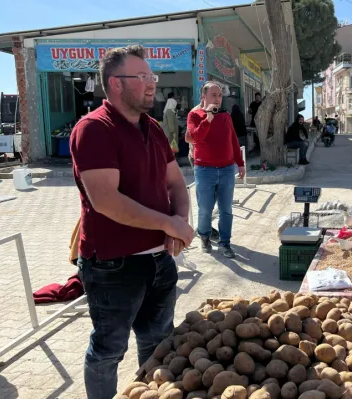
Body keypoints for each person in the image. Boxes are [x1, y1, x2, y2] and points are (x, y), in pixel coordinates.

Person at [69, 45, 195, 399]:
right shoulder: (94, 129)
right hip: (114, 265)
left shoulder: (153, 128)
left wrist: (178, 221)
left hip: (160, 260)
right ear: (116, 84)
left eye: (151, 76)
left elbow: (176, 183)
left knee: (158, 345)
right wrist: (169, 225)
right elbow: (107, 201)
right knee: (109, 351)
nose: (151, 83)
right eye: (141, 77)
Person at [187, 81, 246, 258]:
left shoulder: (226, 116)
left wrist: (240, 162)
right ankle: (204, 235)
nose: (218, 99)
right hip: (205, 170)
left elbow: (233, 140)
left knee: (226, 209)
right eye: (214, 95)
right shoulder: (194, 115)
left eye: (220, 95)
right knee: (205, 208)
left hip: (227, 169)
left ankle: (225, 243)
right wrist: (208, 117)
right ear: (203, 97)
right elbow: (196, 137)